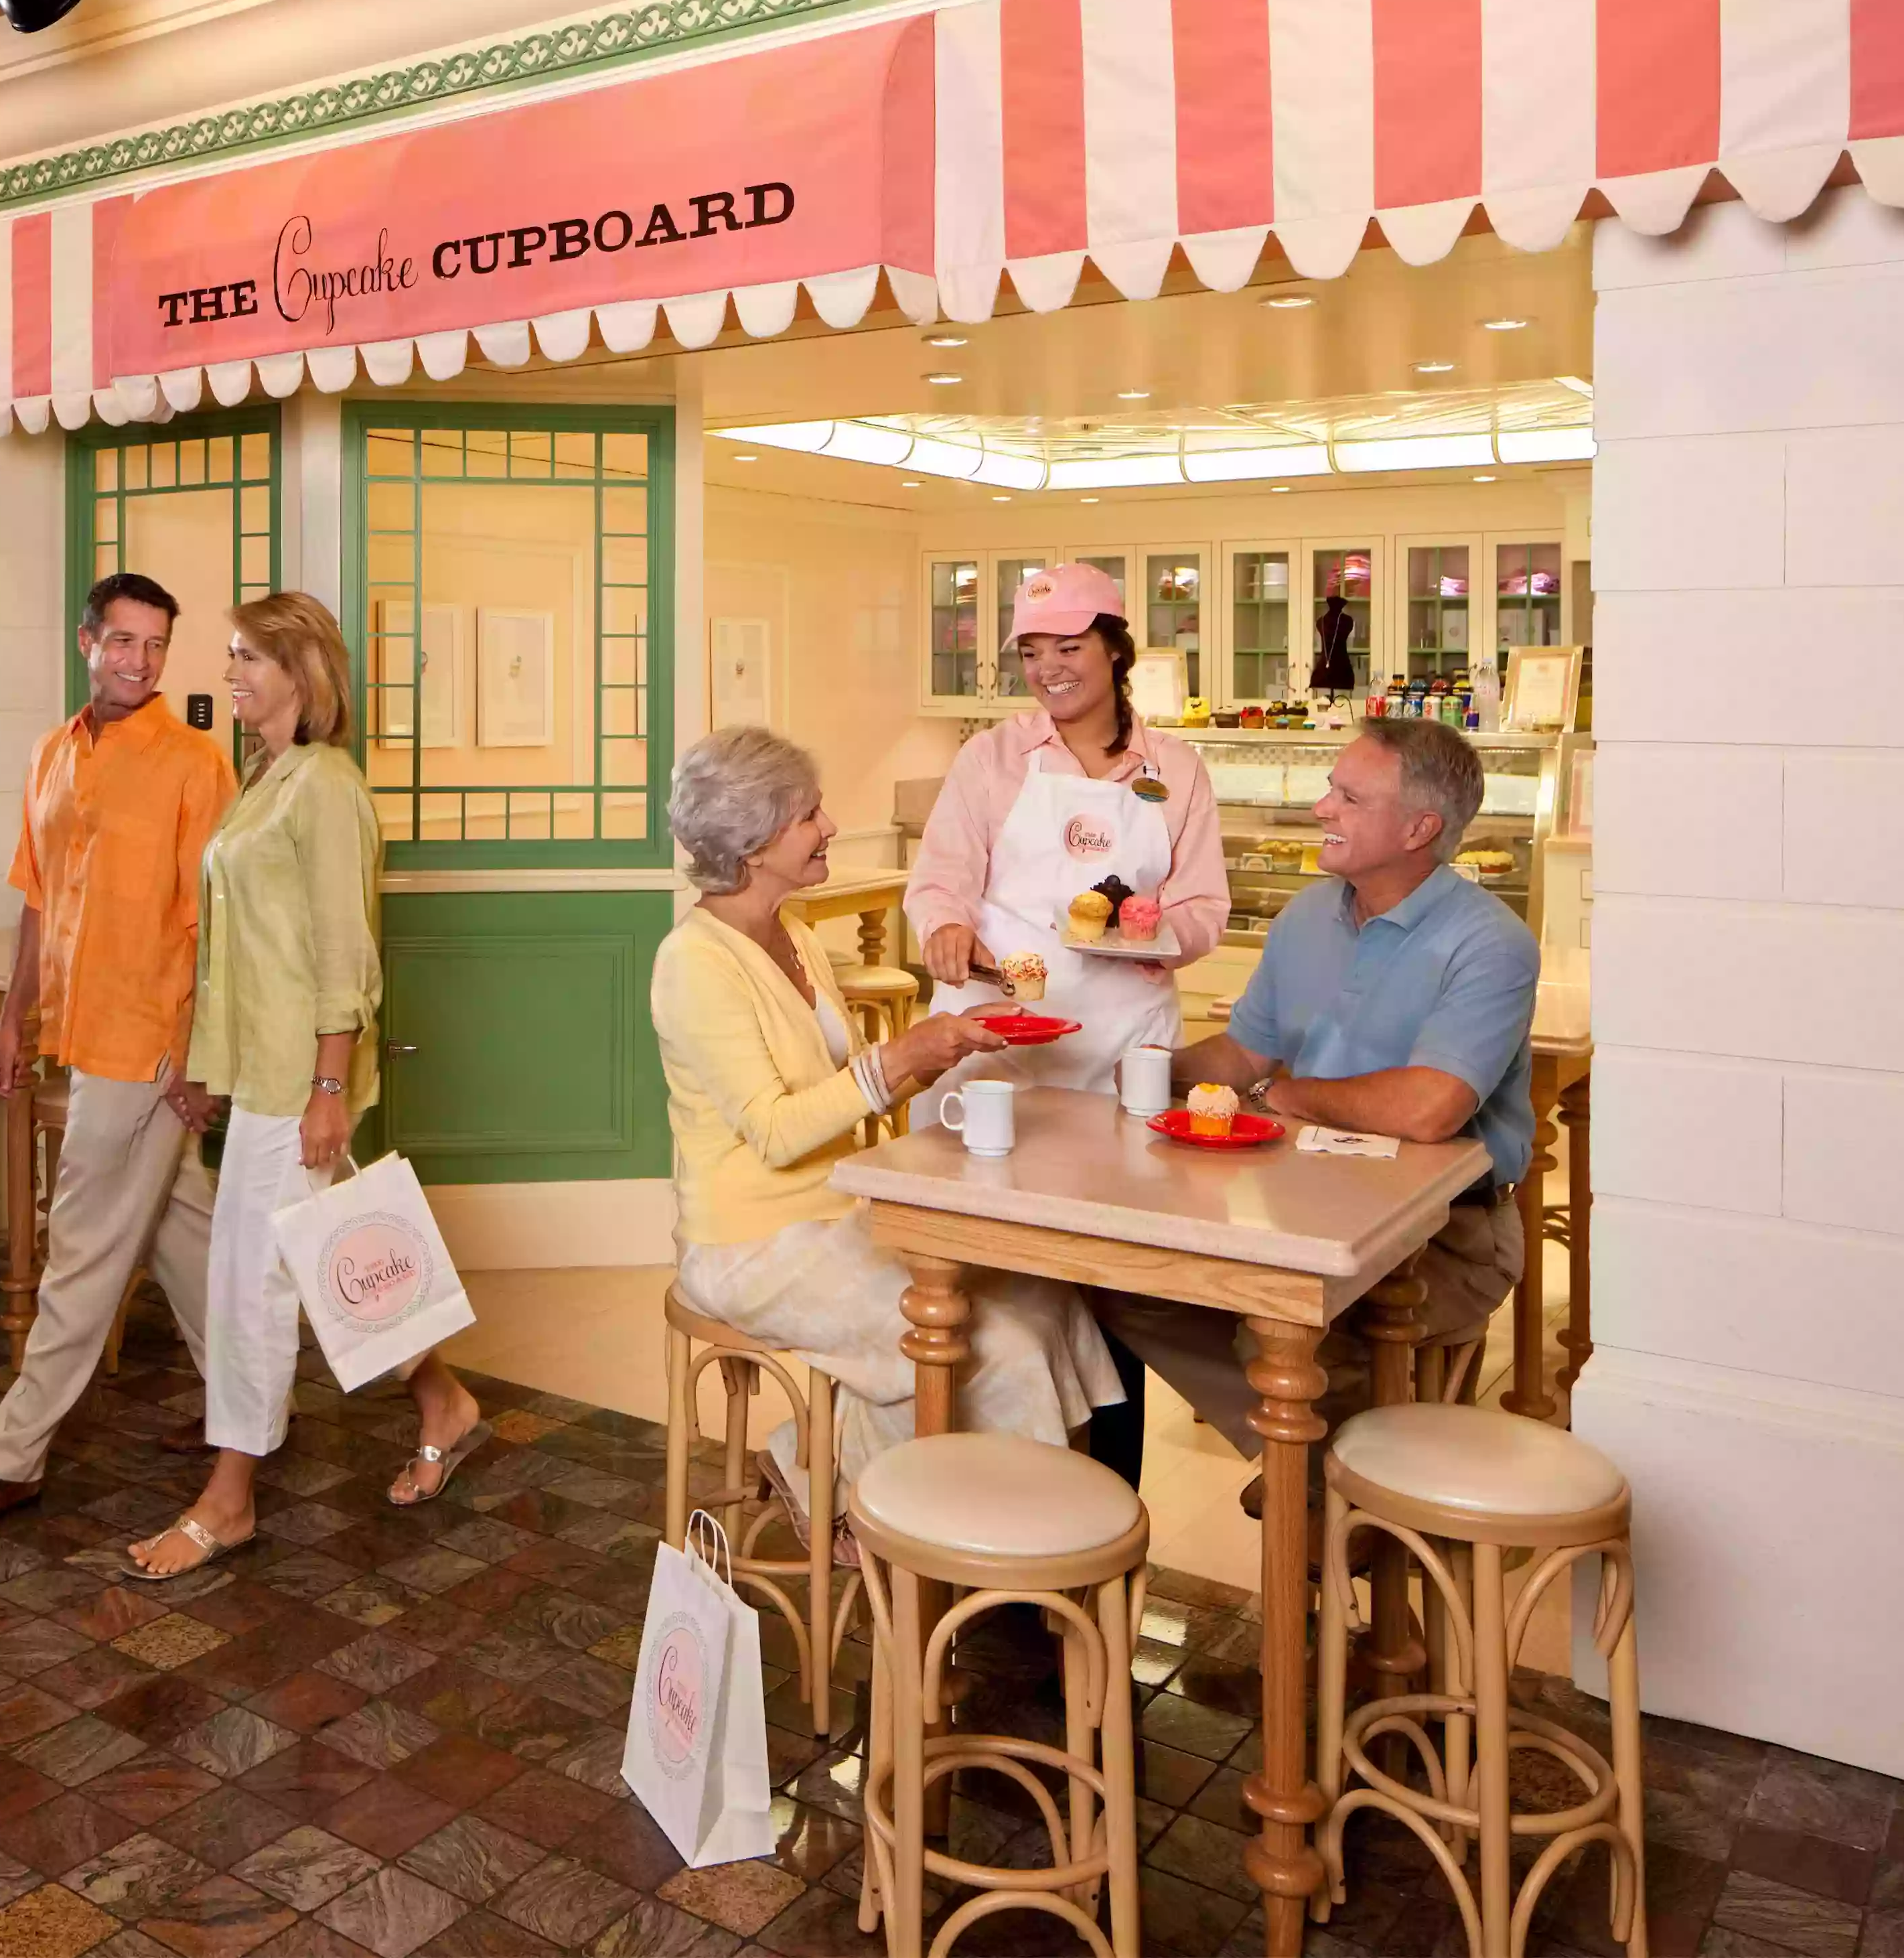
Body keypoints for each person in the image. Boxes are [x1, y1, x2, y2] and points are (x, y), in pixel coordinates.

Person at [654, 727, 1130, 1537]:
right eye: (809, 816)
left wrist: (953, 1043)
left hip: (847, 1208)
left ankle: (855, 1478)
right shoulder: (695, 962)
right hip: (752, 1243)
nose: (832, 826)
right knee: (988, 1342)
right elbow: (775, 1132)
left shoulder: (793, 933)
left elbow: (849, 1094)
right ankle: (954, 1544)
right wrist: (907, 1052)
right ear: (754, 839)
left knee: (1046, 1300)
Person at [127, 591, 484, 1580]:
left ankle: (229, 1496)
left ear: (300, 671)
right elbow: (244, 950)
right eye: (232, 657)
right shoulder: (266, 775)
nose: (230, 674)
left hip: (301, 1078)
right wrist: (208, 1069)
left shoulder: (325, 784)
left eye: (246, 658)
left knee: (251, 1282)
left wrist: (329, 1083)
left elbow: (341, 952)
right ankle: (444, 1404)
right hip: (264, 1072)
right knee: (335, 1258)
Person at [1097, 717, 1540, 1458]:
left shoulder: (1489, 943)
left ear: (1418, 828)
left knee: (1286, 1334)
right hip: (1300, 1205)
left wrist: (1292, 1097)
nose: (1320, 809)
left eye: (1349, 797)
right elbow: (1247, 1052)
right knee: (1119, 1282)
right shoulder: (1307, 916)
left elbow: (1431, 1110)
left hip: (1446, 1237)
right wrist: (1158, 1066)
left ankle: (1329, 1486)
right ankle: (1314, 1469)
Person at [0, 573, 236, 1530]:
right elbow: (38, 900)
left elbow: (211, 924)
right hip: (78, 1033)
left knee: (81, 1249)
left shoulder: (194, 764)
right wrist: (15, 1022)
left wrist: (194, 1053)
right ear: (86, 640)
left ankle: (11, 1458)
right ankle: (250, 1403)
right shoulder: (51, 755)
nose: (140, 661)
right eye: (125, 641)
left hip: (147, 1043)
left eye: (156, 646)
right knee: (187, 1235)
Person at [901, 561, 1230, 1486]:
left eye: (1069, 646)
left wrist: (1152, 929)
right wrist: (947, 928)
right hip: (995, 1038)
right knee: (981, 1282)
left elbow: (1207, 905)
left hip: (1121, 1048)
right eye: (1033, 651)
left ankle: (1103, 1499)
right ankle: (963, 1493)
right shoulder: (992, 760)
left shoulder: (1176, 769)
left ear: (1116, 650)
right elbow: (938, 879)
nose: (1049, 668)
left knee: (1110, 1285)